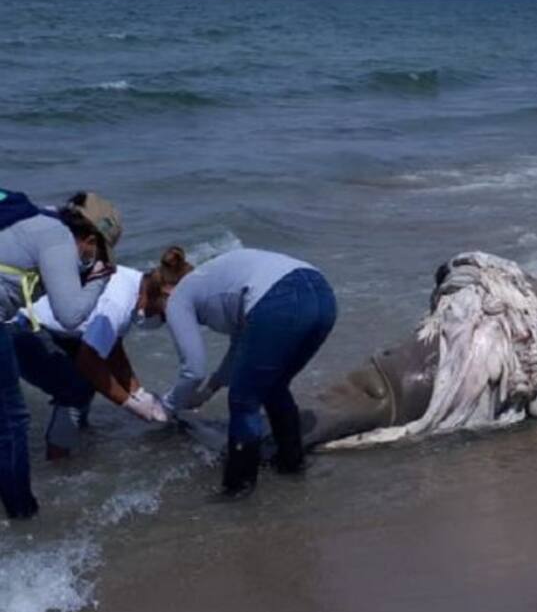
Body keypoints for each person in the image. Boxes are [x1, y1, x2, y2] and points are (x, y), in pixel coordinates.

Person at [141, 246, 337, 497]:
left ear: (165, 292)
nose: (169, 319)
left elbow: (192, 370)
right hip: (322, 294)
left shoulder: (178, 296)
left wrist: (166, 407)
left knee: (244, 400)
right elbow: (240, 346)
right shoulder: (210, 280)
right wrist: (210, 389)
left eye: (162, 314)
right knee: (274, 386)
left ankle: (238, 488)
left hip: (280, 298)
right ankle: (291, 465)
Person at [0, 190, 120, 519]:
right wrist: (97, 280)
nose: (93, 261)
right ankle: (23, 519)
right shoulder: (57, 236)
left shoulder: (29, 221)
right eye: (98, 254)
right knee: (11, 424)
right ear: (90, 238)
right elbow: (70, 314)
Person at [9, 262, 167, 460]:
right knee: (77, 387)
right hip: (22, 327)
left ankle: (77, 434)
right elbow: (89, 362)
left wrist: (139, 393)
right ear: (162, 294)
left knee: (88, 384)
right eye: (162, 315)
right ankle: (59, 463)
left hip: (56, 327)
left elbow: (111, 349)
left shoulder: (135, 283)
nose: (158, 320)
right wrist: (129, 404)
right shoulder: (119, 303)